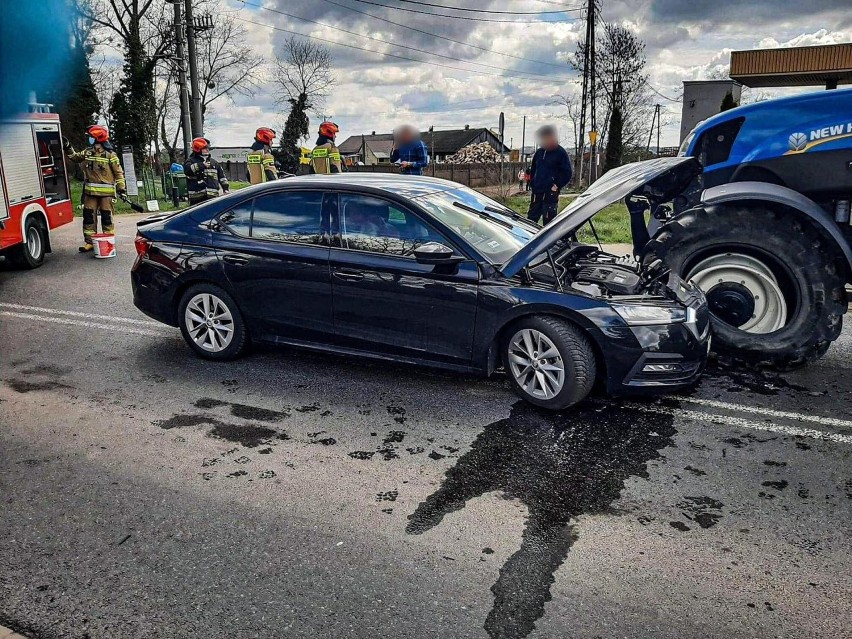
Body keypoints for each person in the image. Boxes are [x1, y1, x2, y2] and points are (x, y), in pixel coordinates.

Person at [64, 125, 126, 253]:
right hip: (90, 193)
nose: (89, 139)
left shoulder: (110, 155)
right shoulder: (88, 152)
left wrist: (121, 189)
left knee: (106, 218)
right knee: (88, 217)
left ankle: (108, 242)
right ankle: (90, 242)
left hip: (106, 195)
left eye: (91, 137)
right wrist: (67, 146)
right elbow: (75, 157)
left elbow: (119, 173)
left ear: (98, 138)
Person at [527, 125, 572, 225]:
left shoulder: (561, 153)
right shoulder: (539, 153)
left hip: (550, 194)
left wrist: (557, 185)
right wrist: (532, 183)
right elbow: (533, 169)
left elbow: (567, 172)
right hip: (537, 193)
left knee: (549, 223)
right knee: (530, 220)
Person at [183, 137, 229, 205]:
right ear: (198, 149)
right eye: (204, 148)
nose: (207, 150)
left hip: (213, 197)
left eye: (208, 148)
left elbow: (222, 177)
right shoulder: (190, 161)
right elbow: (187, 171)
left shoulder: (214, 162)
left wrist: (225, 189)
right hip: (196, 198)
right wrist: (201, 165)